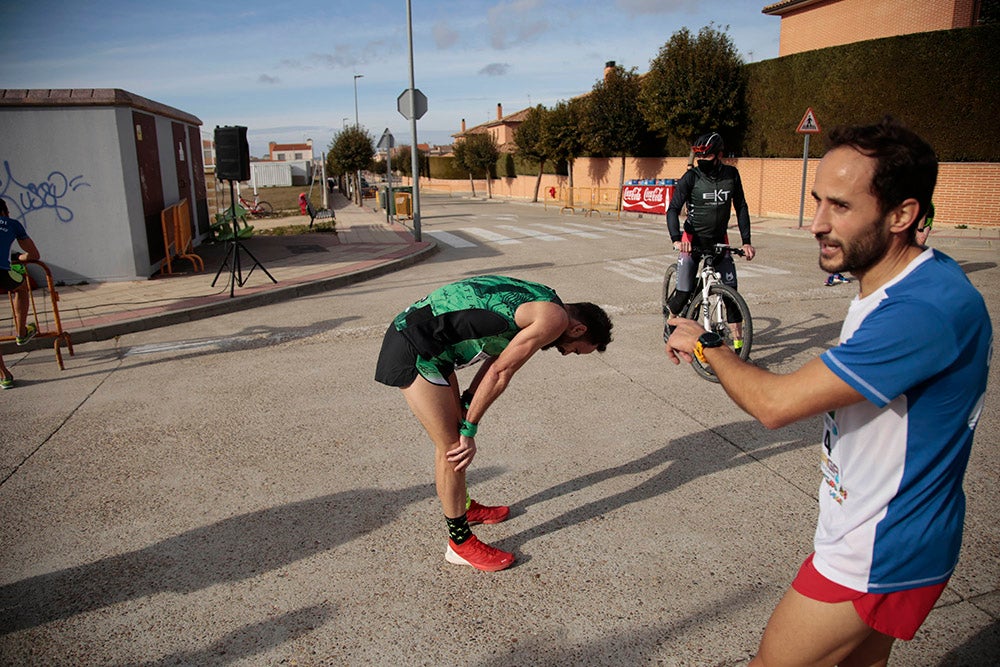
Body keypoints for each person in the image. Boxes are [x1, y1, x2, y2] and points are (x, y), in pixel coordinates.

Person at [665, 118, 991, 665]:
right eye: (817, 201)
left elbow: (774, 404)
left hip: (881, 546)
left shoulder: (920, 311)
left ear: (902, 215)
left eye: (840, 207)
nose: (816, 224)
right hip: (888, 532)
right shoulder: (913, 280)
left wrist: (707, 345)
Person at [375, 275, 613, 572]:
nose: (566, 353)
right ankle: (458, 544)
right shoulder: (553, 319)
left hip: (436, 347)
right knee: (453, 448)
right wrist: (469, 428)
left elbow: (498, 353)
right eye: (576, 349)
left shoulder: (545, 298)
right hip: (415, 347)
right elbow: (502, 372)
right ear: (578, 329)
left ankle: (463, 505)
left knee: (455, 438)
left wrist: (468, 400)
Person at [665, 132, 755, 346]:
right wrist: (677, 239)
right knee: (683, 293)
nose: (702, 162)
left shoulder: (731, 175)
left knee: (731, 295)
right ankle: (670, 323)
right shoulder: (692, 177)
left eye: (707, 157)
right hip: (692, 239)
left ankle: (739, 346)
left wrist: (747, 241)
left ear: (719, 155)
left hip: (718, 239)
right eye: (699, 158)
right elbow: (673, 209)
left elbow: (741, 207)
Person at [0, 199, 41, 389]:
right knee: (22, 288)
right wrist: (17, 257)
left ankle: (4, 376)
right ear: (5, 212)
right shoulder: (12, 224)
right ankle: (21, 332)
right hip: (2, 271)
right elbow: (33, 255)